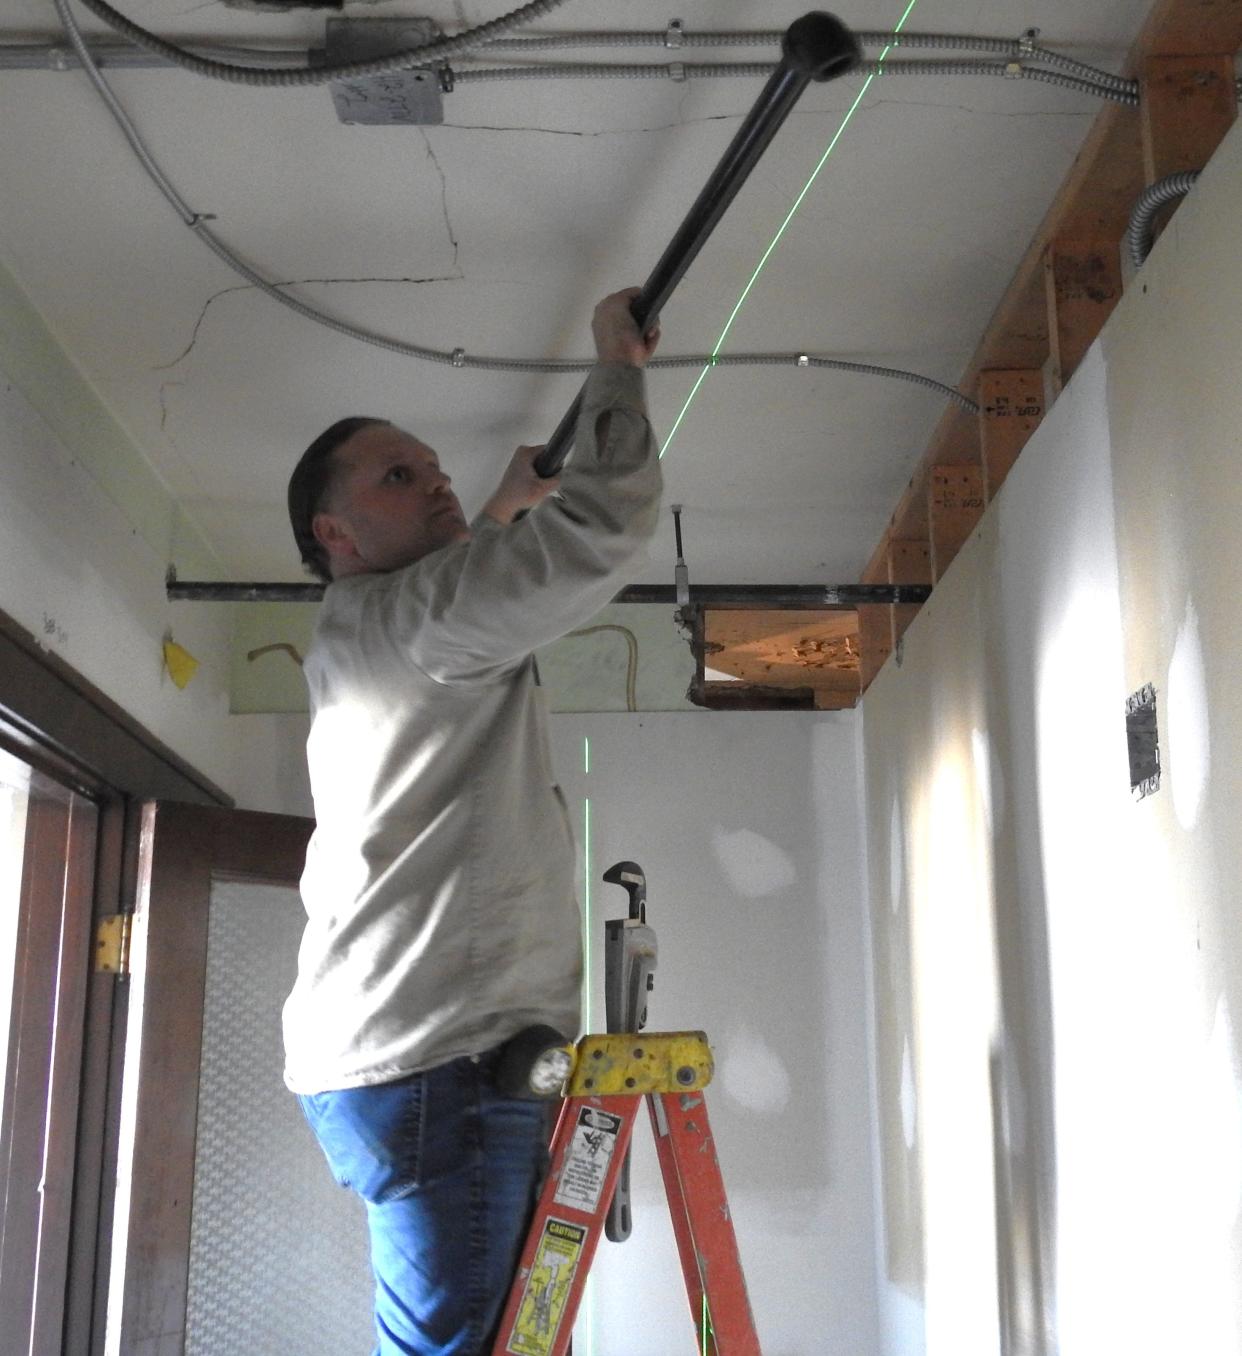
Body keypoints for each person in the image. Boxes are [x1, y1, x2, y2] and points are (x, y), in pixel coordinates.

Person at [282, 287, 662, 1356]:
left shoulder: (358, 631)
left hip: (393, 1063)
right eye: (401, 476)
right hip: (439, 1069)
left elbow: (446, 591)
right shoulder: (417, 622)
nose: (436, 482)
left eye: (436, 468)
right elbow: (601, 530)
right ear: (335, 531)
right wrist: (615, 373)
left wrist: (492, 505)